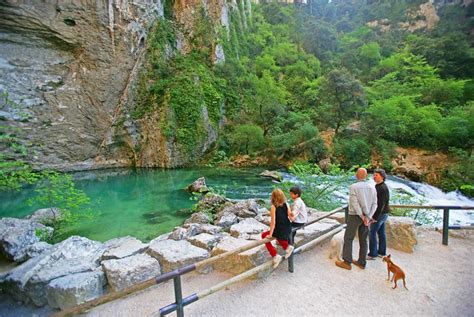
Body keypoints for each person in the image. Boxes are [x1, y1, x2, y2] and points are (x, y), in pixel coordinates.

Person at [336, 168, 377, 270]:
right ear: (366, 176)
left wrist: (362, 216)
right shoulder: (372, 187)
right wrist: (368, 217)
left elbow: (354, 203)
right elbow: (375, 204)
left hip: (355, 215)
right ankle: (362, 262)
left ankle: (347, 262)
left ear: (356, 176)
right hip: (366, 218)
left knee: (349, 238)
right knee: (363, 239)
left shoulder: (353, 187)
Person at [261, 188, 295, 268]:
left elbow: (273, 223)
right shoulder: (286, 204)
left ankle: (276, 254)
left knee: (263, 236)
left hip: (280, 229)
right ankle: (286, 247)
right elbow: (291, 217)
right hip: (287, 227)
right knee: (278, 235)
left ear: (273, 197)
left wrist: (270, 234)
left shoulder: (273, 207)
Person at [368, 168, 390, 259]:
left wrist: (374, 217)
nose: (374, 177)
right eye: (374, 175)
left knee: (372, 232)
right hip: (384, 213)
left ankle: (373, 254)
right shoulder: (380, 186)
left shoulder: (382, 188)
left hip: (380, 214)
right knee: (381, 233)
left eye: (376, 175)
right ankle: (381, 252)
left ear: (382, 176)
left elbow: (380, 204)